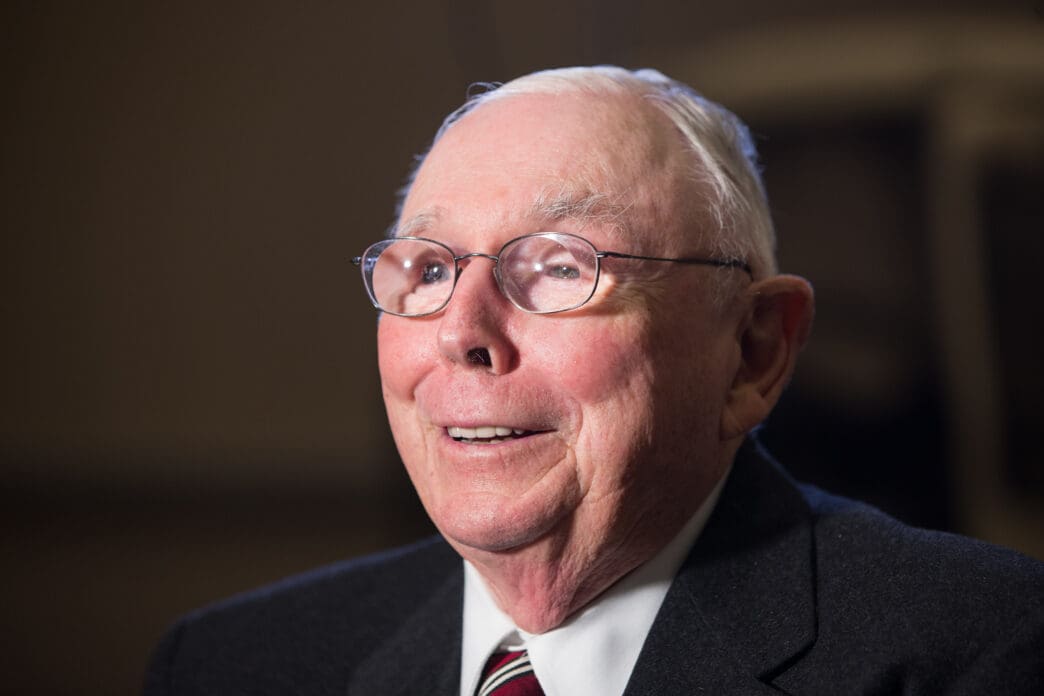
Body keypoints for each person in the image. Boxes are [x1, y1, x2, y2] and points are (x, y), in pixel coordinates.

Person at [144, 66, 1044, 695]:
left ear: (754, 352)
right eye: (425, 270)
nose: (462, 332)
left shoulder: (985, 653)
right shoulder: (233, 664)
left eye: (559, 268)